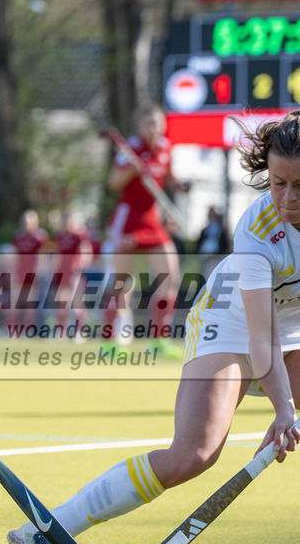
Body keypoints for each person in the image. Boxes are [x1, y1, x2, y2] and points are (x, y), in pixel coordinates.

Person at [7, 110, 300, 544]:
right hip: (229, 324)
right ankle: (47, 533)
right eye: (277, 183)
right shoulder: (256, 229)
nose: (287, 198)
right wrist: (282, 410)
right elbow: (261, 338)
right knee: (193, 454)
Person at [103, 104, 187, 357]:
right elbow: (114, 183)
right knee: (120, 283)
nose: (155, 129)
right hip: (128, 220)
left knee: (170, 276)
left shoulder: (165, 148)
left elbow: (169, 177)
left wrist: (179, 186)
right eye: (150, 124)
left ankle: (159, 339)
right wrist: (133, 169)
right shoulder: (129, 151)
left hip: (153, 222)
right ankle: (110, 342)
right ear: (140, 126)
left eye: (159, 124)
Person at [50, 210, 91, 333]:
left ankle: (80, 331)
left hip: (75, 271)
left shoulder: (79, 234)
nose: (65, 222)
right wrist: (53, 264)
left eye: (67, 219)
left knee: (77, 301)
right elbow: (56, 251)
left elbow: (86, 249)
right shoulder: (59, 235)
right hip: (62, 272)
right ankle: (61, 331)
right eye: (63, 219)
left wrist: (82, 263)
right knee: (62, 302)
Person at [10, 209, 47, 333]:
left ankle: (28, 330)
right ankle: (13, 330)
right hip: (20, 271)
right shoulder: (18, 235)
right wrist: (12, 270)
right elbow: (15, 254)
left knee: (30, 302)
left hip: (31, 272)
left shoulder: (40, 236)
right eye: (24, 221)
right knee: (15, 301)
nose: (26, 223)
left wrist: (39, 270)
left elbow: (42, 255)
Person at [195, 205, 231, 277]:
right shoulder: (205, 230)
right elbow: (200, 242)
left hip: (217, 257)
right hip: (206, 257)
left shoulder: (222, 230)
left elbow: (225, 244)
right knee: (205, 275)